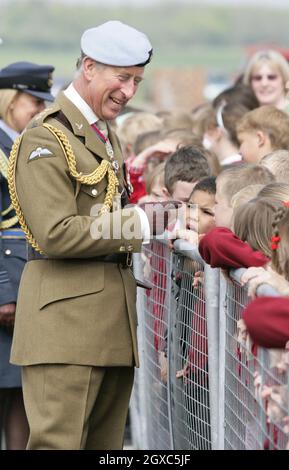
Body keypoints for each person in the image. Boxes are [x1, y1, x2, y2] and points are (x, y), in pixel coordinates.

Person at [7, 21, 167, 450]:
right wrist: (141, 224)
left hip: (107, 325)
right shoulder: (47, 136)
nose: (129, 92)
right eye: (122, 78)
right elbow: (55, 232)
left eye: (136, 81)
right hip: (66, 329)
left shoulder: (100, 131)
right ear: (90, 67)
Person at [0, 61, 55, 449]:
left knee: (21, 389)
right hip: (7, 288)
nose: (40, 110)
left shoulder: (21, 145)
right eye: (33, 101)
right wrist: (3, 291)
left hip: (25, 285)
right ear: (8, 100)